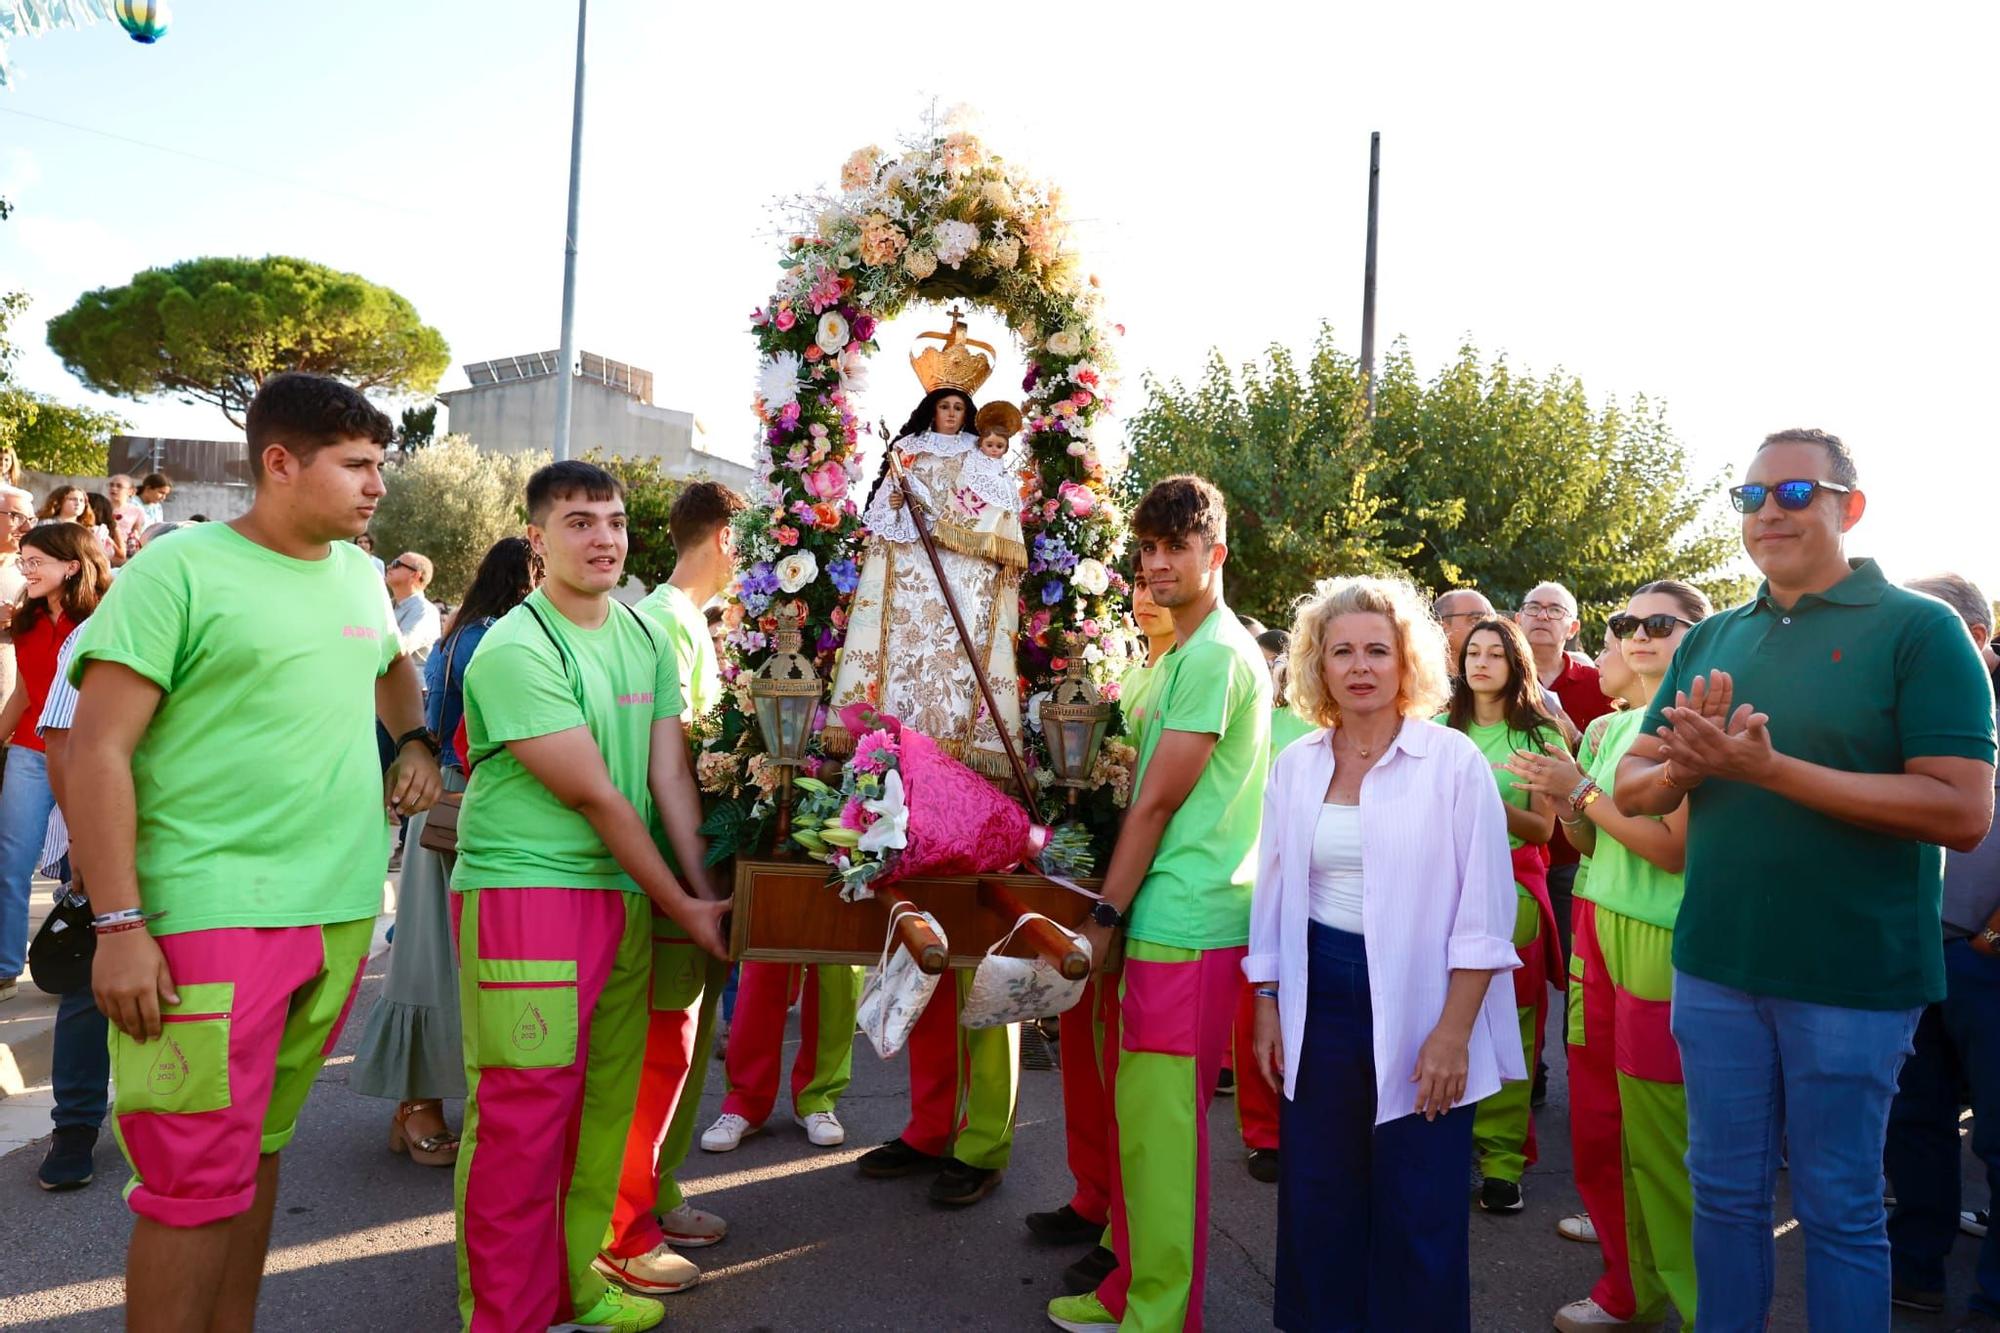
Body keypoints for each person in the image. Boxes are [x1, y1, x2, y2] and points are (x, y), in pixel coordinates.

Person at [68, 372, 442, 1333]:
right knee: (191, 1186)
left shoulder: (360, 575)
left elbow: (392, 673)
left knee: (260, 1153)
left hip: (341, 912)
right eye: (356, 465)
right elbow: (92, 747)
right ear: (280, 463)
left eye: (379, 466)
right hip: (207, 922)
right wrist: (118, 923)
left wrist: (415, 740)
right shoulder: (179, 570)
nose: (376, 488)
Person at [1615, 428, 1995, 1331]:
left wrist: (1771, 769)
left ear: (1847, 506)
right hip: (1716, 965)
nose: (1767, 514)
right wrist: (1689, 771)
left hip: (1854, 976)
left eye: (1793, 494)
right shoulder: (1712, 634)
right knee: (1725, 1198)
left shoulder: (1919, 628)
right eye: (1749, 498)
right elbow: (1634, 787)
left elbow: (1962, 810)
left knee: (1838, 1208)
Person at [450, 459, 728, 1333]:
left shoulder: (643, 634)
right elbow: (598, 797)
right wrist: (686, 908)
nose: (602, 536)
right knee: (523, 1117)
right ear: (537, 541)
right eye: (578, 521)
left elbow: (665, 776)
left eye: (611, 520)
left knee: (604, 1110)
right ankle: (506, 1315)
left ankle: (574, 1284)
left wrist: (700, 886)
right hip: (528, 895)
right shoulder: (516, 646)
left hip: (624, 896)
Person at [1245, 573, 1521, 1331]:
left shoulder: (1453, 762)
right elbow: (1273, 898)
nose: (1360, 665)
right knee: (1320, 1196)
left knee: (1419, 1201)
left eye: (1377, 648)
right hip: (1319, 998)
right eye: (1342, 651)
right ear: (1318, 665)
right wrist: (1267, 1004)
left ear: (1408, 661)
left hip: (1427, 1000)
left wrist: (1453, 1032)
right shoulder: (1295, 764)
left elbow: (1485, 915)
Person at [1046, 474, 1270, 1333]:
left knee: (1163, 1136)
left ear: (1214, 554)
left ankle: (1160, 1313)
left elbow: (1153, 802)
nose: (1158, 563)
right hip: (1160, 912)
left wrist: (1102, 917)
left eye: (1176, 546)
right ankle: (1128, 1291)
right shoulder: (1179, 652)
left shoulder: (1214, 652)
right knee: (1140, 1125)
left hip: (1185, 915)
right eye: (1146, 548)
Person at [1504, 580, 1712, 1331]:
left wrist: (1581, 794)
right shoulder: (1607, 729)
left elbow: (1670, 850)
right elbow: (1587, 843)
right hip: (1596, 924)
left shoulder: (1693, 727)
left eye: (1662, 622)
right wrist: (1568, 800)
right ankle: (1628, 1284)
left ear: (1699, 635)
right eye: (1629, 622)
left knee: (1663, 1136)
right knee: (1599, 1122)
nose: (1639, 634)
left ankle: (1698, 1305)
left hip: (1660, 934)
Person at [601, 480, 756, 1294]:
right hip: (672, 873)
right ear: (727, 537)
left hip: (691, 870)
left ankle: (653, 1194)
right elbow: (677, 767)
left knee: (685, 1048)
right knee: (659, 1050)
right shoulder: (663, 623)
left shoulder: (683, 620)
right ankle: (622, 1227)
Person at [351, 536, 537, 1170]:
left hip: (449, 799)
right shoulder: (498, 638)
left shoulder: (464, 633)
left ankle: (420, 1105)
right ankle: (417, 1107)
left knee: (436, 954)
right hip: (469, 803)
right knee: (436, 956)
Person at [1027, 563, 1179, 1293]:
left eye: (1159, 580)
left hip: (1139, 894)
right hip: (1096, 883)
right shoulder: (1131, 676)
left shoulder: (1186, 670)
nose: (1147, 596)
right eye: (1139, 586)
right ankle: (1092, 1195)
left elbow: (1152, 796)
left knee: (1124, 1072)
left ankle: (1123, 1227)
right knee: (1085, 1057)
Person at [1885, 573, 2000, 1320]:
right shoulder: (1895, 714)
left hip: (1986, 959)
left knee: (1996, 1134)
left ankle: (1993, 1293)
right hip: (1903, 954)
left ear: (1980, 640)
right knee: (1914, 1123)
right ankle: (1917, 1267)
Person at [825, 383, 1024, 774]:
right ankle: (893, 755)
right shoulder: (908, 449)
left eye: (958, 408)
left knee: (961, 661)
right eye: (944, 406)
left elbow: (999, 502)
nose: (951, 414)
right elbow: (886, 514)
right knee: (903, 657)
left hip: (965, 578)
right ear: (931, 410)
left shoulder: (978, 451)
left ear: (968, 414)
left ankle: (959, 765)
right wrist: (897, 504)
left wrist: (951, 526)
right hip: (911, 576)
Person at [1441, 615, 1562, 1214]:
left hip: (1513, 891)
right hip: (1439, 895)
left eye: (1495, 653)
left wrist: (1486, 801)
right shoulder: (1437, 729)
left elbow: (1545, 829)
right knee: (1437, 1020)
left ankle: (1502, 1163)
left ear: (1517, 665)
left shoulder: (1539, 737)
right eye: (1472, 652)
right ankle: (1443, 1146)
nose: (1481, 662)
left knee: (1510, 1030)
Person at [0, 524, 109, 1004]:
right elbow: (24, 693)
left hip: (87, 754)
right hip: (29, 751)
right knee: (10, 861)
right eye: (22, 561)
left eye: (34, 561)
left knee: (80, 866)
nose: (25, 570)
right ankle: (5, 968)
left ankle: (77, 963)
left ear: (70, 564)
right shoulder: (24, 622)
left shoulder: (106, 618)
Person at [33, 618, 106, 1189]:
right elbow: (60, 738)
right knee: (90, 983)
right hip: (103, 833)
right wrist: (86, 834)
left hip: (203, 840)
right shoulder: (97, 629)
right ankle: (75, 1127)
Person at [386, 549, 441, 674]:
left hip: (414, 691)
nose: (389, 567)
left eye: (396, 564)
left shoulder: (425, 611)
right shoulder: (387, 606)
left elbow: (399, 649)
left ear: (415, 575)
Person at [107, 474, 146, 562]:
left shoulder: (137, 511)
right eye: (111, 485)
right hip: (103, 552)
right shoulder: (100, 507)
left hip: (124, 554)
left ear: (131, 491)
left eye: (119, 486)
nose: (114, 488)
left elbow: (136, 535)